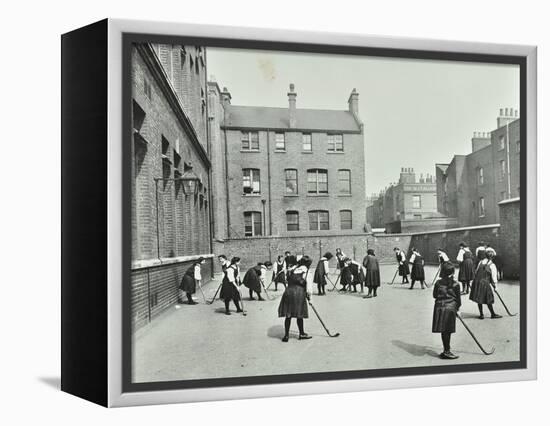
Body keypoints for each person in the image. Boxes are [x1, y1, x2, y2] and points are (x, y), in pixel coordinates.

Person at [278, 255, 313, 342]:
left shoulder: (292, 269)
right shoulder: (307, 271)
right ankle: (301, 334)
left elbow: (287, 280)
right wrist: (310, 298)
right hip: (299, 293)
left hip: (288, 292)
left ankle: (286, 336)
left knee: (288, 315)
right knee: (299, 314)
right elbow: (309, 288)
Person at [432, 262, 462, 360]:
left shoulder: (438, 283)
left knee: (444, 330)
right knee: (447, 331)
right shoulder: (456, 284)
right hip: (450, 308)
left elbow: (435, 295)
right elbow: (458, 300)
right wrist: (458, 309)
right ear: (453, 272)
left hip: (439, 308)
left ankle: (446, 348)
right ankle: (447, 351)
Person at [469, 248, 502, 319]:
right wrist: (495, 286)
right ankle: (493, 314)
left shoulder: (480, 262)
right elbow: (494, 278)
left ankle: (481, 314)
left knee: (479, 298)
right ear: (492, 257)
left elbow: (476, 272)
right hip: (485, 283)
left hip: (477, 282)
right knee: (488, 298)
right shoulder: (492, 265)